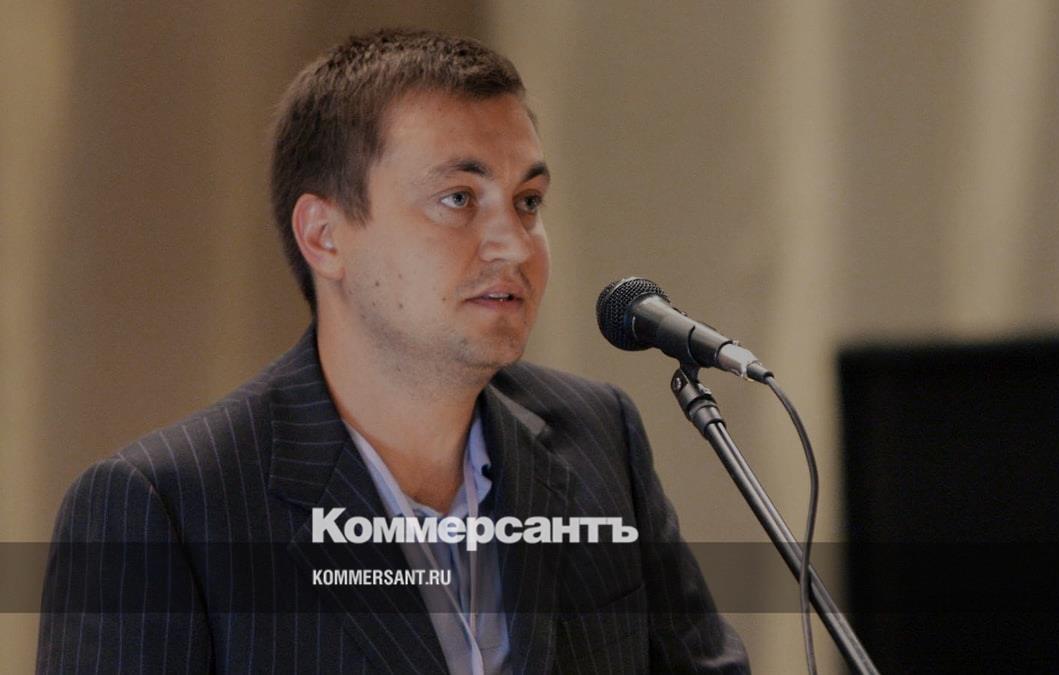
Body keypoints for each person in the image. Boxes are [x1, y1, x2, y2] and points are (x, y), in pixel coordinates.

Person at [36, 27, 748, 674]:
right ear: (325, 237)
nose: (513, 243)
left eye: (528, 201)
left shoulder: (599, 438)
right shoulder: (163, 511)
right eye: (458, 198)